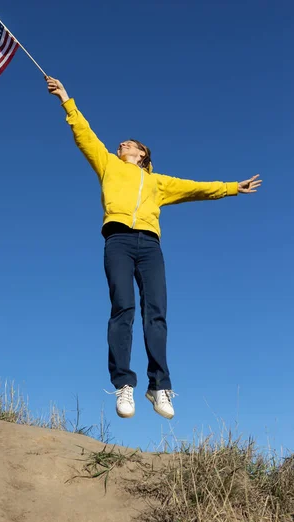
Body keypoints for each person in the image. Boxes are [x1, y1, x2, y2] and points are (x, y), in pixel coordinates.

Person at [46, 76, 262, 420]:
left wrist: (233, 187)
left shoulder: (157, 183)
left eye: (129, 144)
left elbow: (196, 188)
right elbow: (84, 135)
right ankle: (123, 384)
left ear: (143, 154)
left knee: (156, 313)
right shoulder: (108, 166)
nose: (122, 145)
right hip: (117, 240)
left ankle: (159, 386)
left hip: (149, 246)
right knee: (123, 309)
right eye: (121, 144)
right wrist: (66, 100)